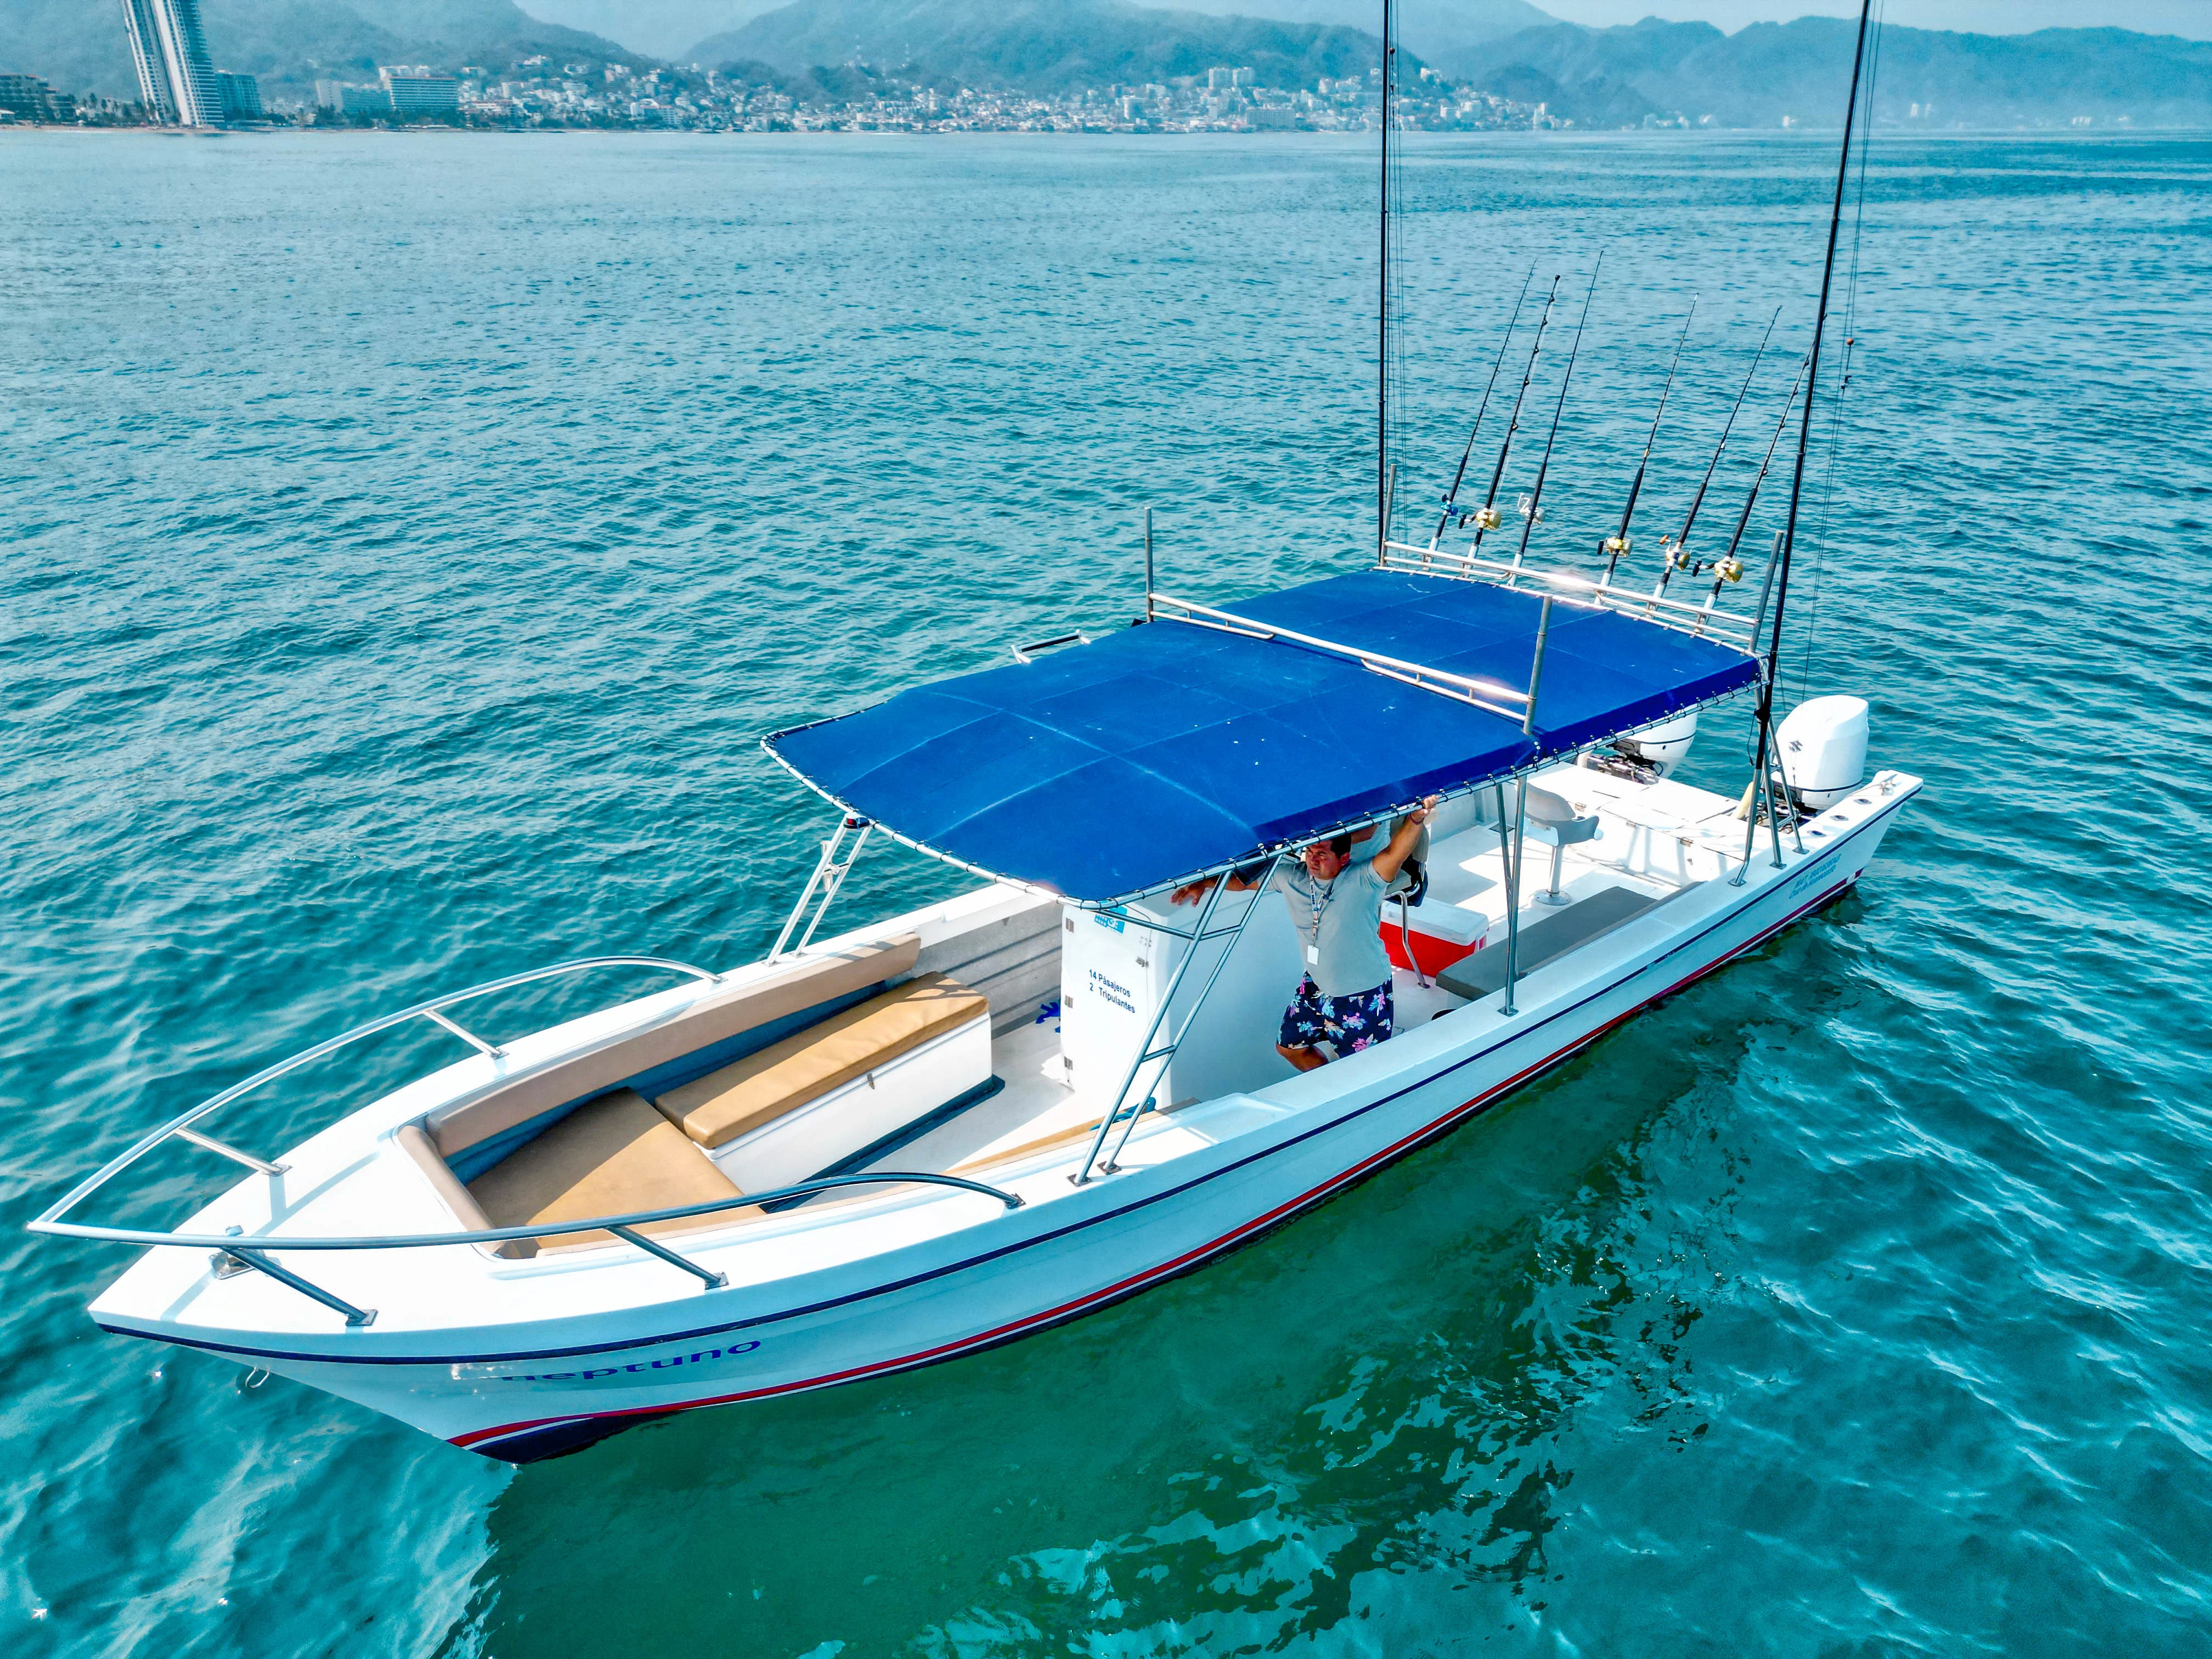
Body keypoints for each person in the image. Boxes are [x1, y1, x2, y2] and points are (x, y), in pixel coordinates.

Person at [1172, 797, 1438, 1072]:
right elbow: (1244, 883)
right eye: (1311, 852)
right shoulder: (1292, 877)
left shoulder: (1365, 879)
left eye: (1322, 854)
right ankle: (1330, 1085)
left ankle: (1346, 1094)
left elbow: (1396, 852)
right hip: (1315, 987)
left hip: (1362, 994)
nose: (1313, 859)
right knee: (1288, 1048)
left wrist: (1416, 820)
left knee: (1363, 1072)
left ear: (1344, 858)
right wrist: (1205, 882)